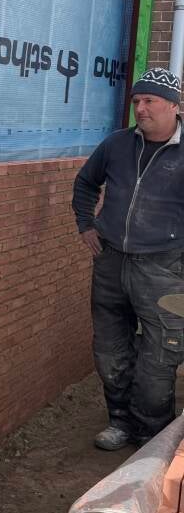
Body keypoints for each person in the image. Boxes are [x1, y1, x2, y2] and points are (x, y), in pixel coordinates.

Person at [72, 67, 184, 451]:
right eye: (137, 100)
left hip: (165, 268)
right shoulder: (117, 145)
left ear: (174, 105)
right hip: (111, 262)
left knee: (160, 355)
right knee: (110, 349)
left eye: (149, 100)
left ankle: (152, 436)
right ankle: (119, 421)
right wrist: (86, 224)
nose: (140, 108)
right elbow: (86, 183)